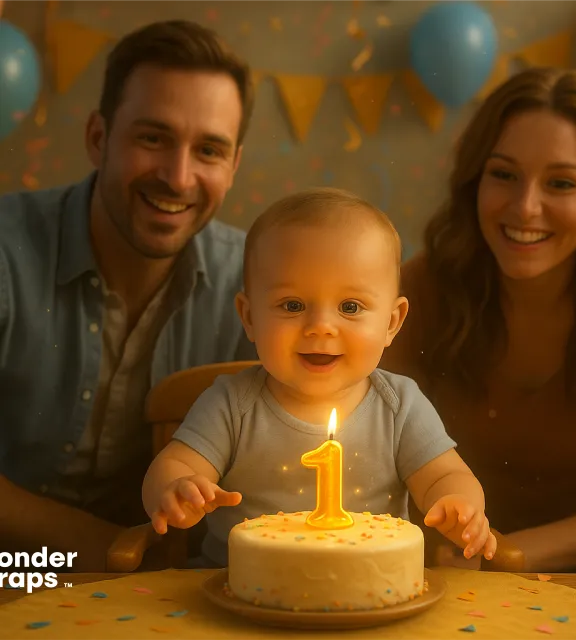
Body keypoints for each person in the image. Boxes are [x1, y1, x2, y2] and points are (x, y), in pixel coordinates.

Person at [0, 20, 257, 571]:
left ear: (233, 166)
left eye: (208, 150)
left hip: (159, 596)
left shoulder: (260, 288)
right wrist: (107, 552)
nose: (179, 177)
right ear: (99, 138)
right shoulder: (5, 252)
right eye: (152, 138)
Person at [141, 188, 497, 568]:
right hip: (238, 590)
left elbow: (445, 474)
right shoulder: (232, 404)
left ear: (392, 322)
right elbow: (174, 466)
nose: (321, 327)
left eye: (350, 307)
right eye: (292, 305)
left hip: (373, 591)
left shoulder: (400, 406)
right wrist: (176, 489)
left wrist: (460, 504)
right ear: (249, 317)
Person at [381, 67, 576, 573]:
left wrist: (511, 554)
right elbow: (363, 446)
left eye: (561, 183)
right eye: (503, 174)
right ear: (475, 179)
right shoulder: (418, 292)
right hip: (440, 572)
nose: (525, 208)